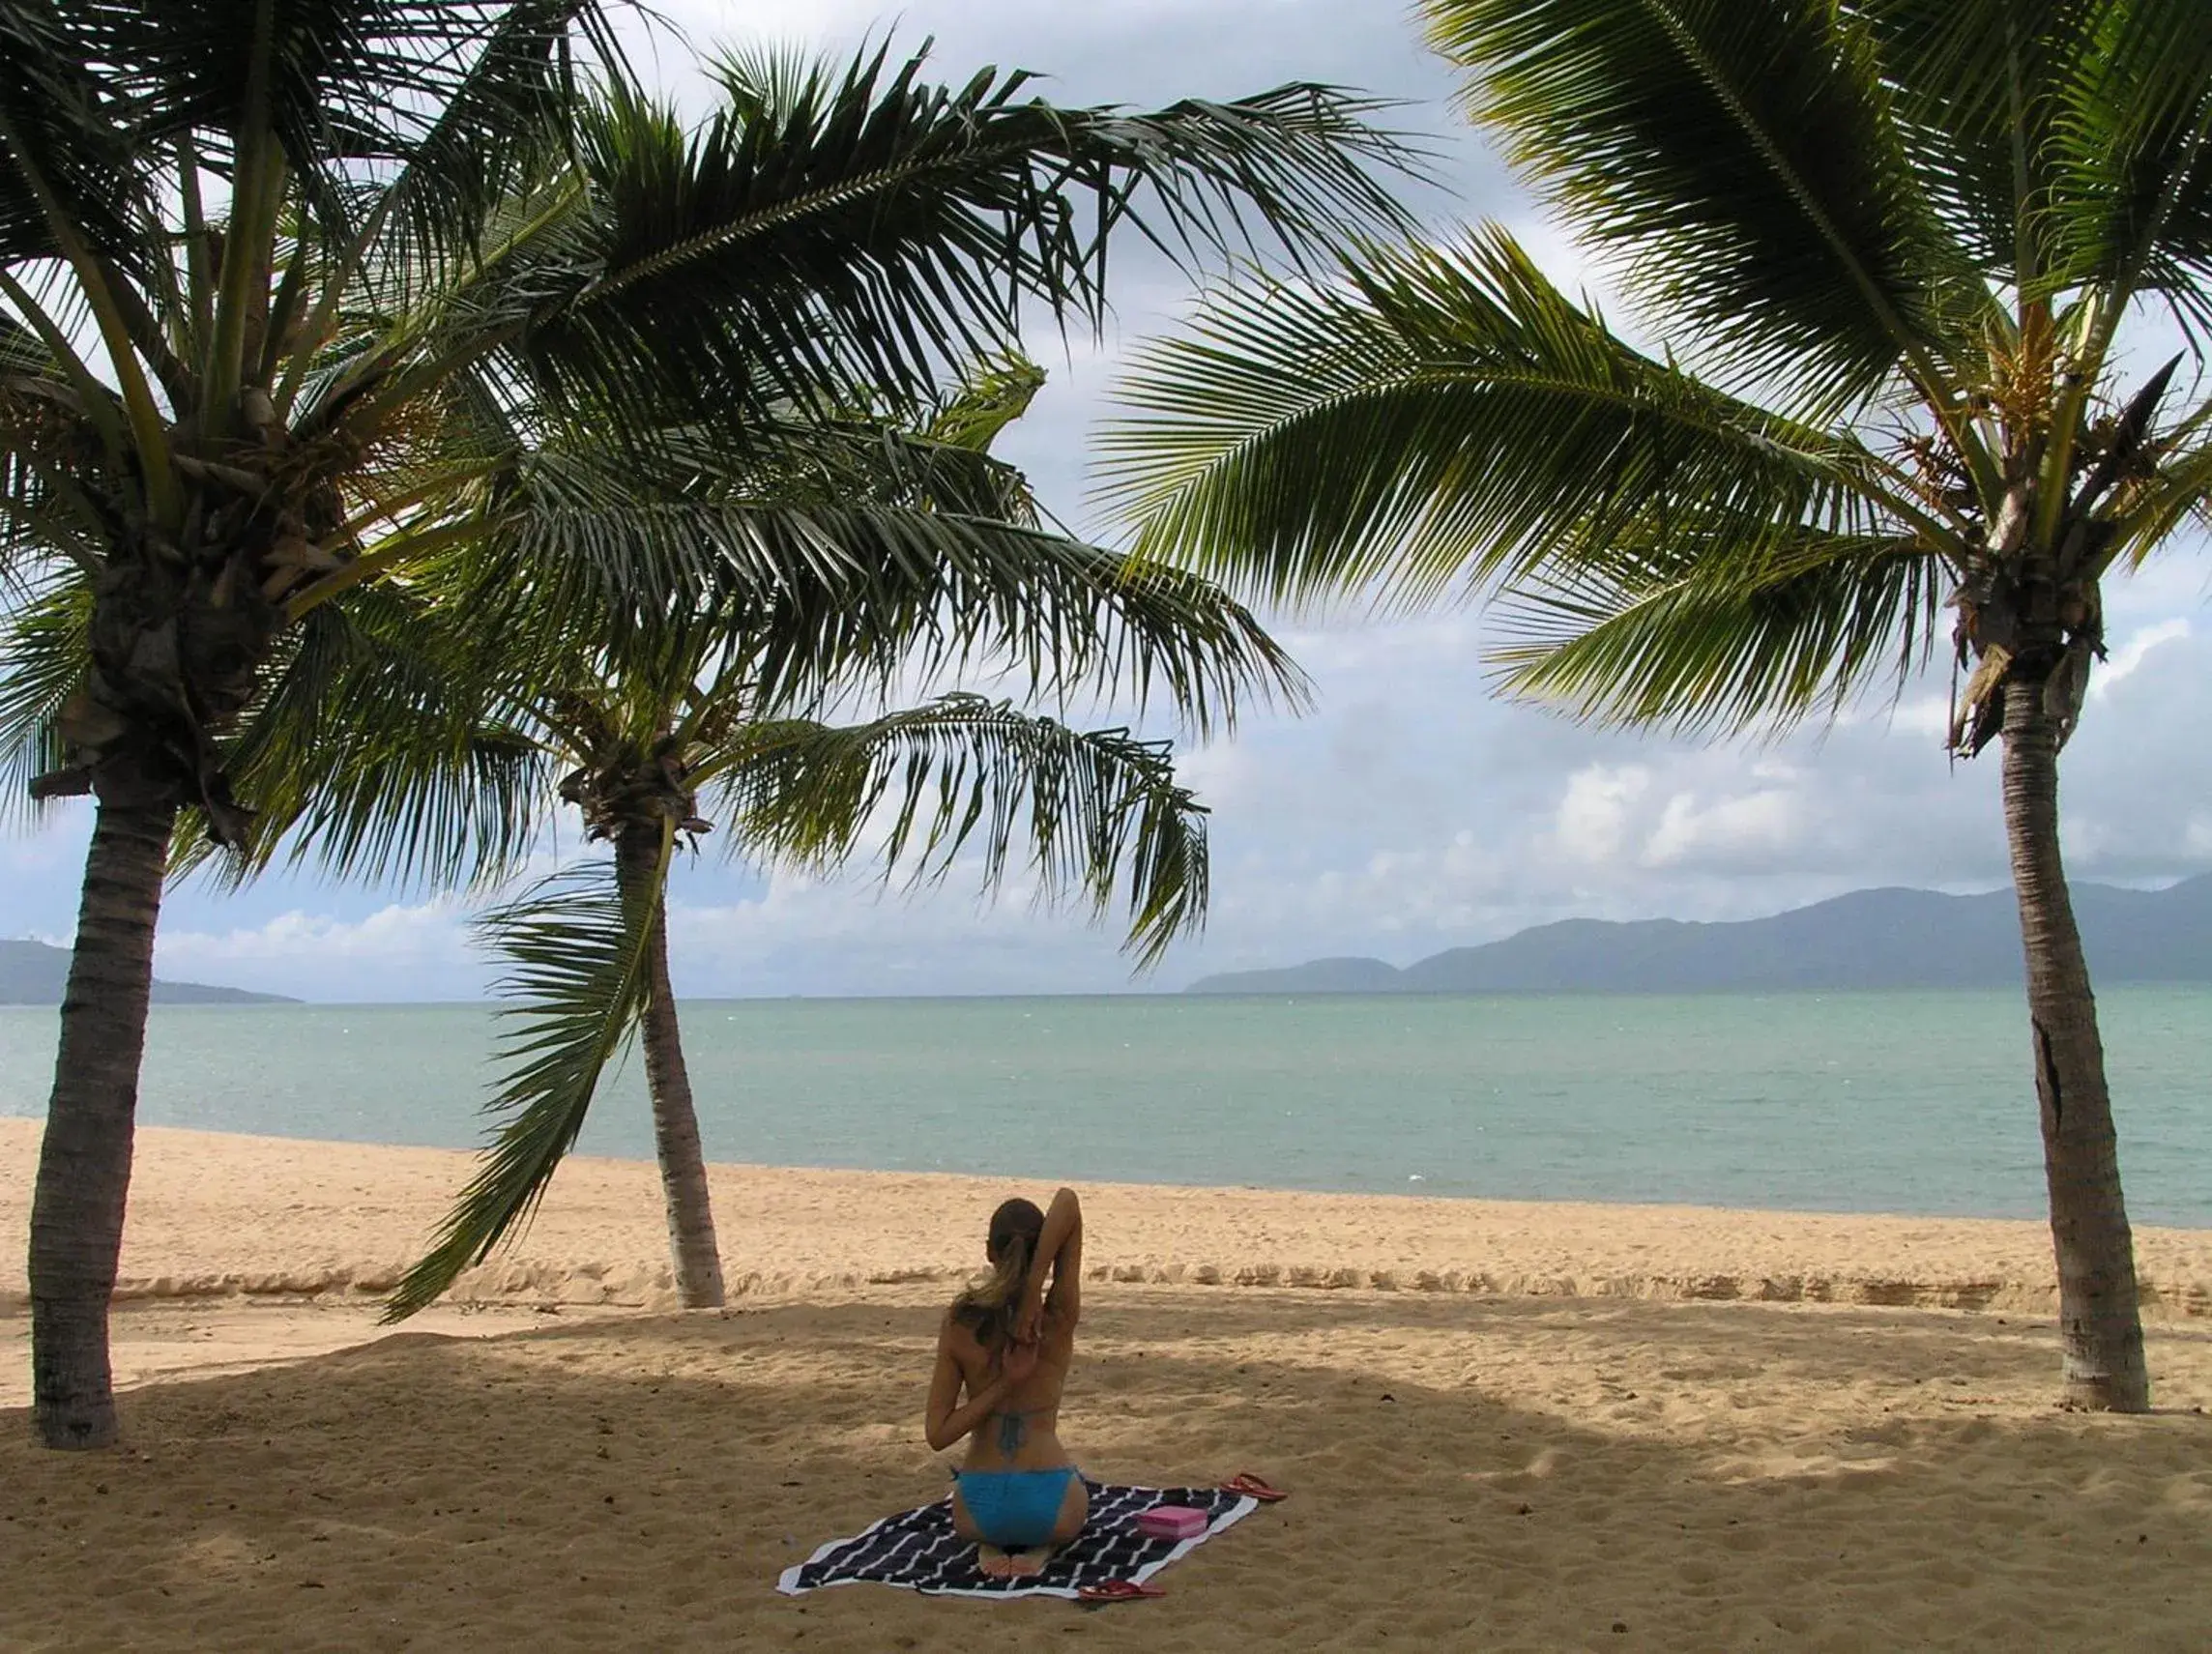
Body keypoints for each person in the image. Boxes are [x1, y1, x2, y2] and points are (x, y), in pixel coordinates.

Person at [925, 1185, 1087, 1580]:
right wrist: (1035, 1288)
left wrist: (1001, 1385)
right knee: (1077, 1492)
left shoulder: (961, 1321)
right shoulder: (1056, 1317)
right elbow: (1068, 1202)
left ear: (988, 1251)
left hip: (977, 1508)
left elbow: (938, 1434)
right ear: (1042, 1256)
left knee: (988, 1518)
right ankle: (1041, 1548)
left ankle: (991, 1543)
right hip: (1052, 1506)